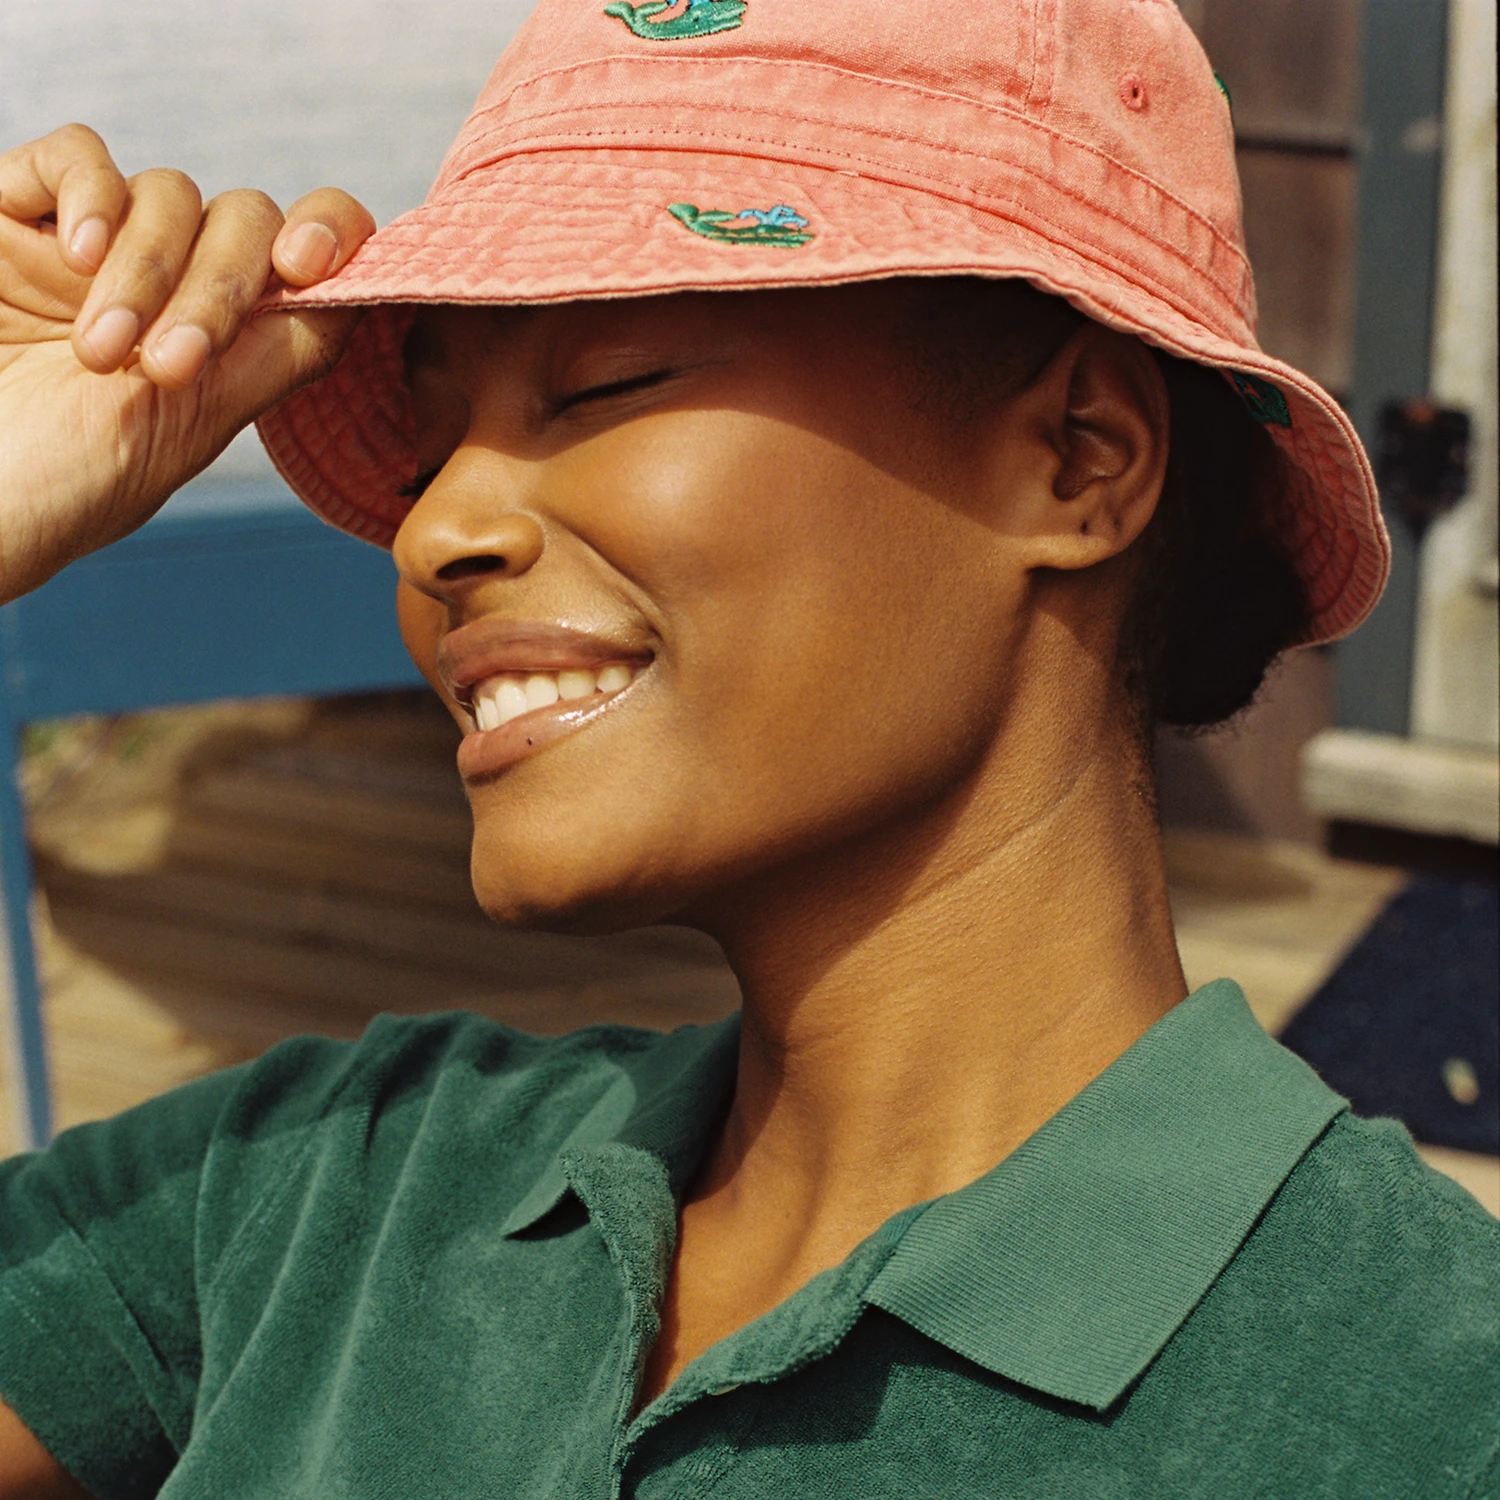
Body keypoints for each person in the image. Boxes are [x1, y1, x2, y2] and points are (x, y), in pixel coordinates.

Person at [0, 1, 1495, 1495]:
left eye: (602, 386)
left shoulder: (1419, 1396)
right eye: (438, 437)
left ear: (1079, 458)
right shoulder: (334, 1185)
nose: (437, 529)